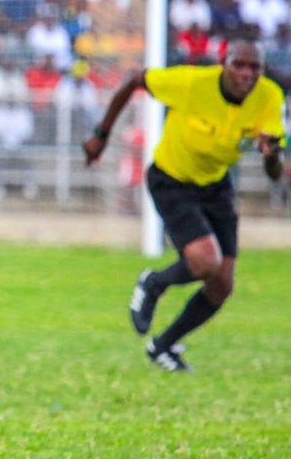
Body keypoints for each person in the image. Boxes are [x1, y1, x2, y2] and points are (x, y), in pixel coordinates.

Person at [82, 41, 284, 372]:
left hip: (215, 185)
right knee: (206, 261)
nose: (247, 74)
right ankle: (153, 283)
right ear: (223, 63)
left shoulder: (269, 97)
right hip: (171, 179)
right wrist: (101, 135)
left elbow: (274, 170)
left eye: (255, 68)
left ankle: (162, 346)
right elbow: (136, 79)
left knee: (222, 284)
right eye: (239, 65)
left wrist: (273, 154)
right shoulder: (192, 83)